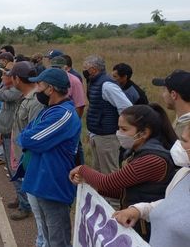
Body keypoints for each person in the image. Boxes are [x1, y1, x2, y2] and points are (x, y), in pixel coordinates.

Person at [70, 103, 177, 241]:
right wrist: (92, 185)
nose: (119, 133)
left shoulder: (152, 160)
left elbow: (107, 182)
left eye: (124, 129)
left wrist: (82, 169)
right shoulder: (139, 153)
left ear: (144, 133)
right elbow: (127, 191)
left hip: (149, 228)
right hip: (139, 224)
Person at [19, 68, 81, 247]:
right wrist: (28, 137)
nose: (36, 88)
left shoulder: (63, 114)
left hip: (53, 185)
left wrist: (27, 137)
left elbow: (29, 139)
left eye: (39, 84)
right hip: (41, 181)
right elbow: (28, 132)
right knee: (48, 236)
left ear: (51, 89)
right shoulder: (49, 110)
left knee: (57, 239)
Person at [113, 123, 190, 246]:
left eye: (184, 140)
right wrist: (139, 210)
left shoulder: (153, 160)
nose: (178, 144)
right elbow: (169, 206)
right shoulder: (183, 173)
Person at [8, 61, 45, 228]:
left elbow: (35, 134)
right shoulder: (25, 97)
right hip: (19, 149)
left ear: (17, 79)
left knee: (41, 215)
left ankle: (27, 207)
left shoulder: (36, 101)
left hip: (28, 155)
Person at [83, 55, 133, 177]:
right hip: (98, 134)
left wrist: (121, 129)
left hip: (107, 137)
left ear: (93, 69)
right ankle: (102, 196)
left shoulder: (107, 85)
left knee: (110, 174)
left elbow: (126, 108)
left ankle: (113, 197)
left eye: (86, 68)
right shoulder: (95, 83)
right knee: (99, 172)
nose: (84, 70)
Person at [0, 62, 21, 177]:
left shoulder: (16, 91)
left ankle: (21, 195)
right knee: (11, 169)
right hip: (7, 132)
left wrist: (6, 85)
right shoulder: (10, 88)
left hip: (13, 134)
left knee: (15, 170)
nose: (2, 77)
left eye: (4, 74)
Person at [152, 70, 190, 138]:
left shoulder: (186, 131)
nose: (162, 95)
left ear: (173, 95)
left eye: (164, 90)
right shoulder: (181, 118)